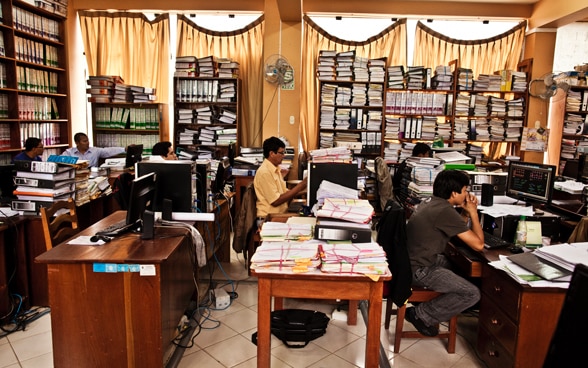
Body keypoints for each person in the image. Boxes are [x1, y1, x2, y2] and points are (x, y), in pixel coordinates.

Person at [404, 170, 483, 337]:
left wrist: (464, 213)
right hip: (420, 269)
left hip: (412, 260)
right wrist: (474, 213)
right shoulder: (444, 211)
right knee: (472, 293)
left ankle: (442, 307)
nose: (466, 194)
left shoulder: (433, 203)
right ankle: (420, 314)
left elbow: (455, 226)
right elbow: (478, 245)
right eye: (464, 190)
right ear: (454, 193)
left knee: (461, 269)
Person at [254, 136, 306, 219]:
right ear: (271, 154)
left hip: (279, 214)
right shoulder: (265, 172)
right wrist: (301, 185)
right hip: (268, 217)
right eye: (281, 153)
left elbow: (285, 193)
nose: (283, 156)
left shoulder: (276, 169)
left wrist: (305, 190)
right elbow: (275, 201)